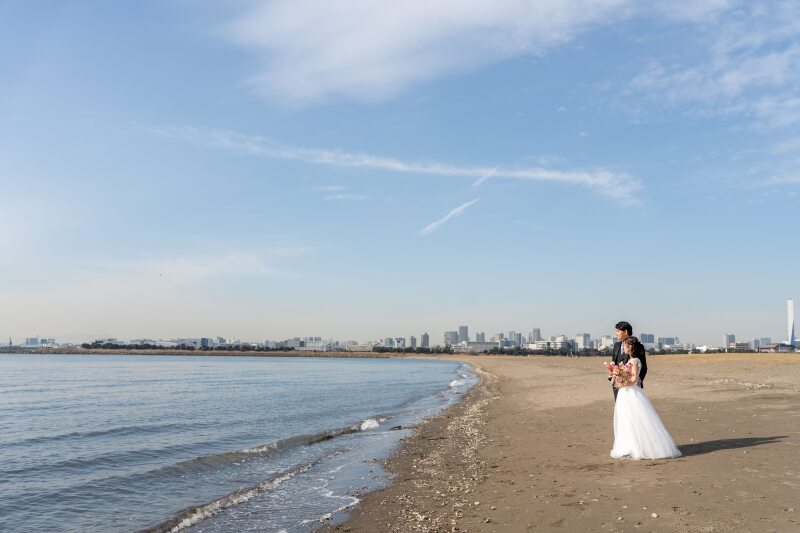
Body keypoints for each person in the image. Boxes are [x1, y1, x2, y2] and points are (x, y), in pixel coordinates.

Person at [610, 336, 681, 460]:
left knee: (635, 419)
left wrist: (622, 384)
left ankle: (639, 447)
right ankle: (629, 446)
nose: (624, 348)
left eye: (626, 346)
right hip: (626, 393)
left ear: (631, 347)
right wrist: (619, 377)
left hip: (631, 393)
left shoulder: (634, 361)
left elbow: (634, 379)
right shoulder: (631, 360)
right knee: (627, 420)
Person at [611, 321, 647, 400]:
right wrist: (612, 375)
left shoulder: (639, 347)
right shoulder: (616, 345)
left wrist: (636, 384)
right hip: (617, 386)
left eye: (618, 331)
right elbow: (614, 363)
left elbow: (643, 367)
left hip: (632, 388)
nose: (616, 333)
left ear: (625, 331)